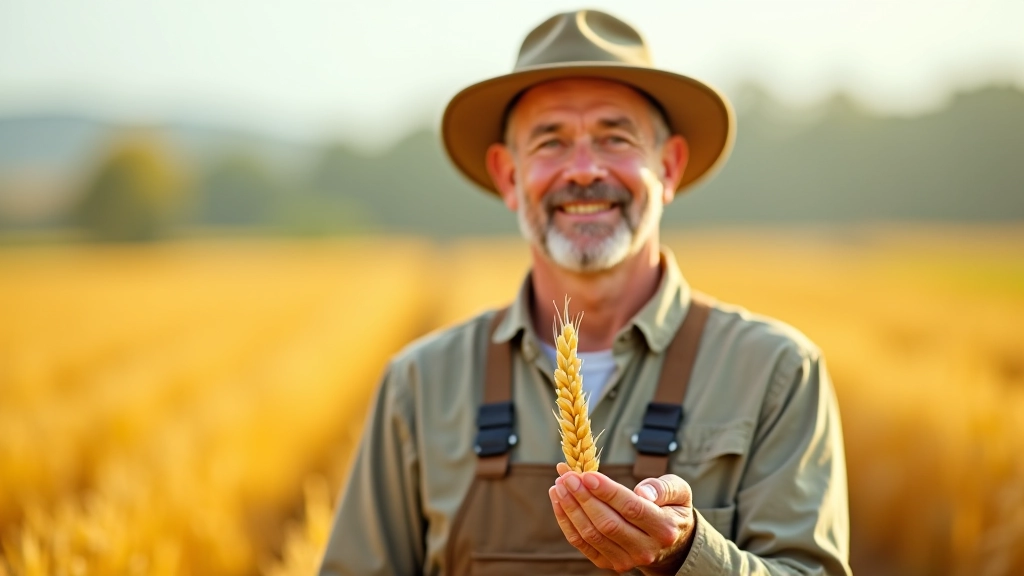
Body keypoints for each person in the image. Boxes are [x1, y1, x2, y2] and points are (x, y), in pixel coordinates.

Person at [319, 9, 851, 576]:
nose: (582, 169)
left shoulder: (775, 372)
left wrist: (689, 553)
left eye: (614, 137)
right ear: (508, 176)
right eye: (550, 142)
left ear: (668, 166)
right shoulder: (419, 385)